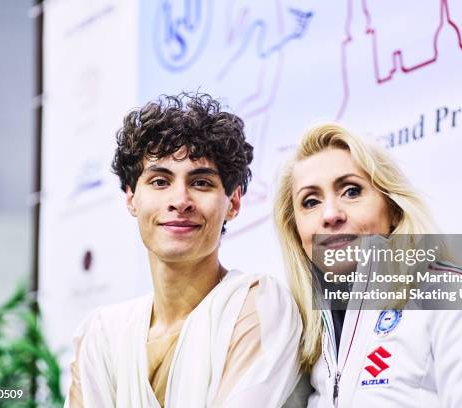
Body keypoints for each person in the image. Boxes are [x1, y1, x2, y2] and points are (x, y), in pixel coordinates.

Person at [273, 123, 462, 407]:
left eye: (351, 191)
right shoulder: (305, 337)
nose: (330, 214)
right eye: (310, 202)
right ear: (296, 231)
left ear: (394, 209)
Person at [65, 93, 301, 407]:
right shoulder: (101, 335)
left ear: (233, 202)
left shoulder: (258, 304)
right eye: (160, 181)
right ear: (131, 198)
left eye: (201, 182)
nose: (180, 200)